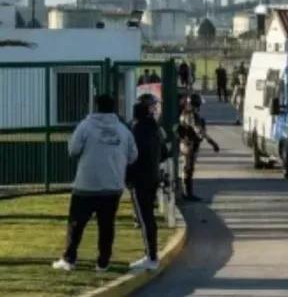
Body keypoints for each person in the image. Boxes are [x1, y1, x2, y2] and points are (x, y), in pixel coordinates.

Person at [52, 94, 138, 272]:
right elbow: (133, 156)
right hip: (112, 185)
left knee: (76, 223)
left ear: (96, 107)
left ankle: (69, 259)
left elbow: (73, 149)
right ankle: (103, 262)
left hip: (86, 184)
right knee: (107, 225)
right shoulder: (123, 130)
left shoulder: (85, 126)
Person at [127, 98, 169, 271]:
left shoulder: (136, 129)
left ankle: (151, 256)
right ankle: (151, 254)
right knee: (149, 217)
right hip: (153, 177)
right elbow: (165, 154)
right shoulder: (156, 128)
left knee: (145, 218)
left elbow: (130, 155)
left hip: (139, 179)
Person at [176, 93, 220, 201]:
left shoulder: (184, 112)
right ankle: (188, 194)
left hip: (184, 143)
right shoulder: (191, 115)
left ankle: (186, 192)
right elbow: (199, 131)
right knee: (188, 169)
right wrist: (212, 143)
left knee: (186, 169)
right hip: (189, 145)